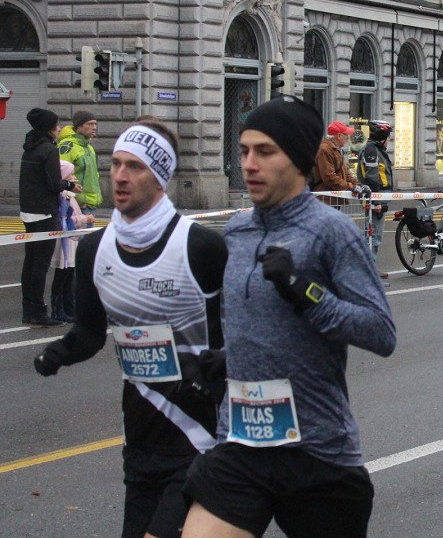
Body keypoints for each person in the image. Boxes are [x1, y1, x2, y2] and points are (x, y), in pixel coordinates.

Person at [182, 96, 396, 538]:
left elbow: (381, 332)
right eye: (243, 151)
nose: (249, 164)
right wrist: (226, 359)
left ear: (298, 160)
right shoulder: (237, 231)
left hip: (315, 452)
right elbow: (255, 322)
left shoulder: (330, 232)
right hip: (240, 443)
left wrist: (304, 291)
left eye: (265, 152)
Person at [34, 117, 227, 538]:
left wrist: (213, 377)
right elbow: (89, 330)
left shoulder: (200, 248)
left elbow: (238, 335)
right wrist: (59, 353)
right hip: (139, 437)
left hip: (198, 438)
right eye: (116, 164)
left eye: (135, 166)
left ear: (160, 176)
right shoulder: (93, 249)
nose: (120, 176)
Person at [20, 107, 81, 327]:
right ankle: (37, 312)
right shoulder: (48, 150)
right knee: (41, 265)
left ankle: (29, 309)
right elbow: (54, 184)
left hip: (28, 211)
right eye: (56, 124)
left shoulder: (29, 147)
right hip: (45, 212)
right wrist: (69, 184)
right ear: (48, 128)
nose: (58, 128)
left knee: (31, 262)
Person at [49, 160, 95, 322]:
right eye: (71, 174)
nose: (74, 177)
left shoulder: (70, 195)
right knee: (62, 276)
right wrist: (85, 218)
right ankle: (57, 310)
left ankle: (69, 309)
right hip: (64, 242)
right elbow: (67, 220)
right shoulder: (63, 196)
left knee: (69, 276)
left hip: (71, 241)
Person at [359, 120, 394, 281]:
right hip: (376, 198)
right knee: (374, 236)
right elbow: (372, 176)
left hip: (380, 197)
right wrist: (376, 201)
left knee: (374, 235)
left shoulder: (375, 149)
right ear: (382, 136)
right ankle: (368, 269)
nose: (389, 140)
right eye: (388, 137)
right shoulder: (372, 150)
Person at [57, 110, 101, 216]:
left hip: (91, 204)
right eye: (90, 124)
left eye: (95, 124)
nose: (94, 127)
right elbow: (61, 175)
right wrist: (80, 200)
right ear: (78, 126)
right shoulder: (67, 146)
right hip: (77, 205)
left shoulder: (89, 148)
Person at [312, 121, 364, 207]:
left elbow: (346, 172)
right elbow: (329, 177)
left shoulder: (336, 150)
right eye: (346, 135)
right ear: (339, 135)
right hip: (326, 200)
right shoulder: (325, 150)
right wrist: (350, 186)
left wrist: (358, 185)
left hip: (333, 198)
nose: (347, 138)